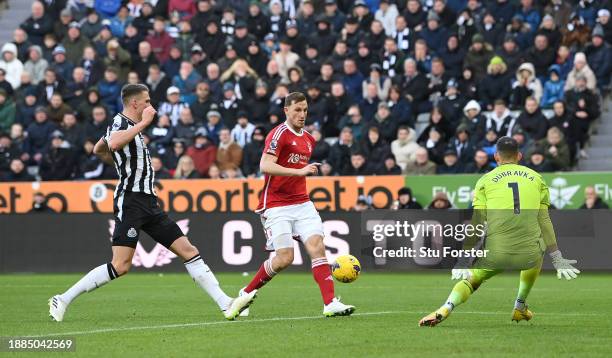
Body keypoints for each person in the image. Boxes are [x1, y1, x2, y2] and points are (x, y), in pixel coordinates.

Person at [48, 84, 255, 322]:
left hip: (149, 202)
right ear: (134, 103)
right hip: (131, 201)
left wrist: (116, 152)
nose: (150, 105)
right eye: (146, 101)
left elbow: (99, 148)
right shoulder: (121, 122)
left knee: (189, 251)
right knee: (121, 265)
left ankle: (225, 302)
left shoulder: (127, 127)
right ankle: (63, 298)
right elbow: (113, 144)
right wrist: (143, 124)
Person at [419, 136, 580, 327]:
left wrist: (464, 258)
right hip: (527, 250)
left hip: (498, 249)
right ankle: (520, 304)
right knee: (537, 250)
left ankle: (446, 306)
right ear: (519, 155)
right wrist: (557, 256)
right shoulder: (537, 178)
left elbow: (478, 221)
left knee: (473, 279)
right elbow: (544, 220)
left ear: (496, 157)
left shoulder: (485, 181)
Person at [238, 92, 355, 318]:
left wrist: (301, 173)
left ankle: (330, 303)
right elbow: (265, 165)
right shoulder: (278, 134)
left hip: (302, 203)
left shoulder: (309, 139)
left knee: (317, 246)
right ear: (286, 111)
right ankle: (246, 292)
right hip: (276, 204)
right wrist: (299, 171)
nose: (302, 115)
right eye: (297, 110)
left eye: (305, 110)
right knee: (284, 259)